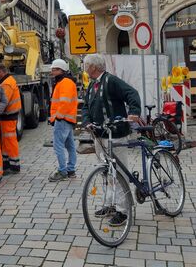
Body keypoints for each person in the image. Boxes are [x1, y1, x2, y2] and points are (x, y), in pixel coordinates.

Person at [82, 53, 141, 227]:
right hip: (100, 135)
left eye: (86, 65)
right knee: (106, 172)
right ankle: (110, 204)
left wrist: (134, 112)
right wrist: (86, 122)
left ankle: (123, 211)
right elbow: (86, 106)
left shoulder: (111, 81)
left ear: (93, 67)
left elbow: (132, 93)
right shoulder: (92, 84)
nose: (84, 68)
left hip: (115, 134)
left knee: (119, 173)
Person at [48, 59, 78, 182]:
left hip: (63, 119)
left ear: (61, 70)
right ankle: (70, 170)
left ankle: (62, 171)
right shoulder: (66, 82)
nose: (52, 72)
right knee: (70, 145)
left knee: (58, 146)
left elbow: (64, 103)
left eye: (54, 70)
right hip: (68, 119)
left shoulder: (64, 82)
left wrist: (56, 117)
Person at [0, 63, 22, 175]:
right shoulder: (8, 81)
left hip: (8, 116)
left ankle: (14, 165)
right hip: (8, 116)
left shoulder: (7, 84)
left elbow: (3, 102)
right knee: (6, 141)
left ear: (1, 71)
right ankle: (7, 164)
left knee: (10, 141)